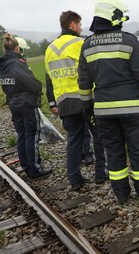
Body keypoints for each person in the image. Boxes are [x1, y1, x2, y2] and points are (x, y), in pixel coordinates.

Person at [78, 0, 139, 204]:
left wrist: (87, 108)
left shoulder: (87, 45)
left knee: (113, 154)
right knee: (138, 151)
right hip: (133, 109)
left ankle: (121, 195)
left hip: (103, 111)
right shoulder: (129, 41)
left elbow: (84, 82)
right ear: (114, 17)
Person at [45, 10, 107, 191]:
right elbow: (94, 69)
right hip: (85, 98)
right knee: (98, 136)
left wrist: (52, 103)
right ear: (73, 25)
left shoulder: (50, 49)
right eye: (79, 25)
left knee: (73, 140)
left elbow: (49, 78)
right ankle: (100, 174)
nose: (81, 28)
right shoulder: (81, 43)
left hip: (64, 101)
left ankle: (74, 179)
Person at [0, 34, 52, 180]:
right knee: (31, 135)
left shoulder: (1, 65)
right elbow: (31, 83)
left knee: (22, 135)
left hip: (13, 103)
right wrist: (39, 88)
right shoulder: (18, 63)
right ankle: (35, 169)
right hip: (26, 103)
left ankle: (26, 166)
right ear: (16, 48)